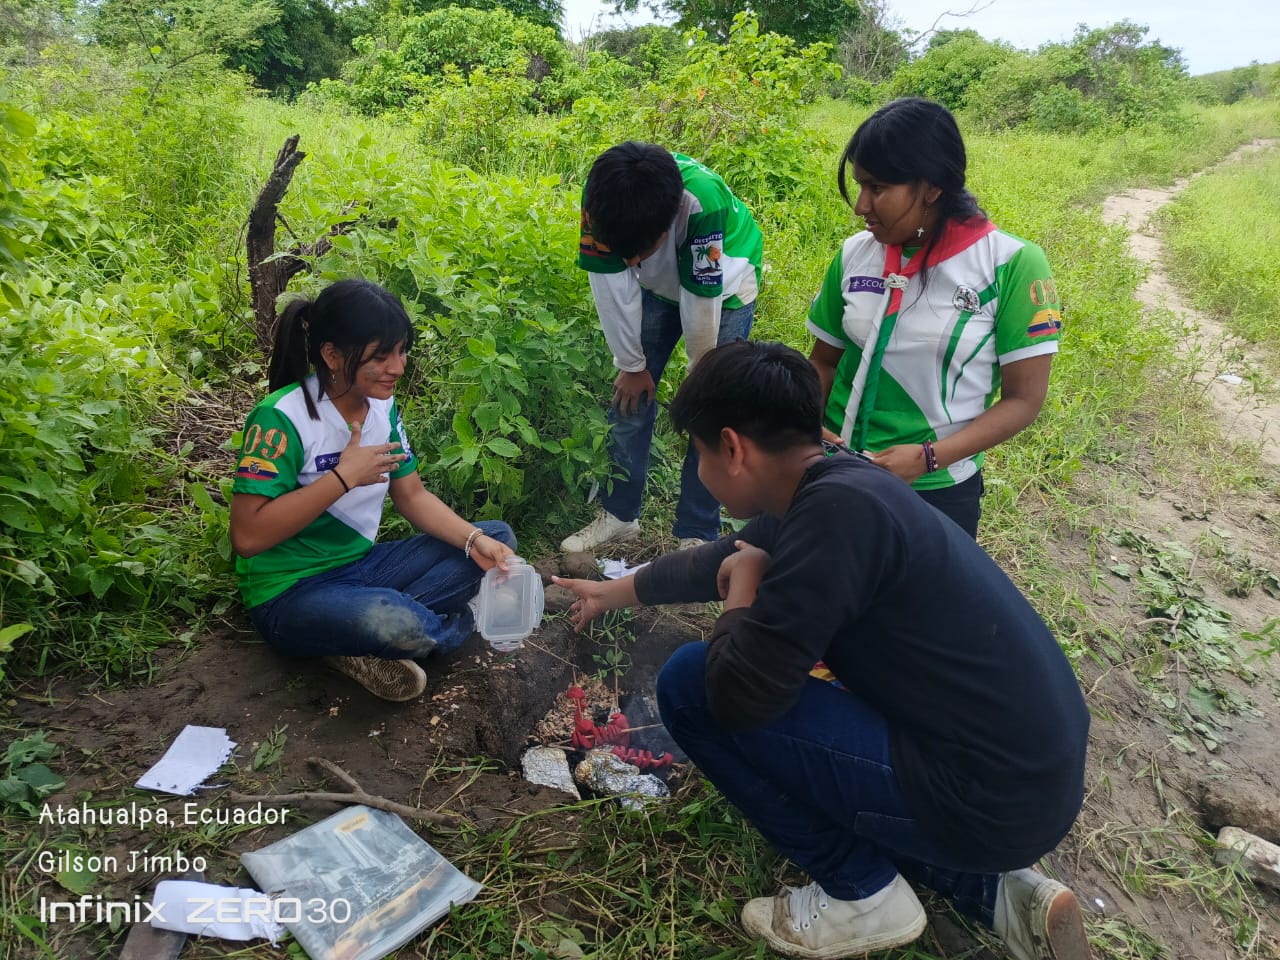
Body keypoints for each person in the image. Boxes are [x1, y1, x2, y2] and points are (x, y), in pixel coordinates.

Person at [553, 340, 1091, 960]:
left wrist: (744, 588)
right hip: (1027, 783)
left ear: (732, 448)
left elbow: (737, 697)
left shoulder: (830, 520)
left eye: (699, 454)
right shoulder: (836, 483)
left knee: (690, 683)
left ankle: (861, 891)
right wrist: (611, 592)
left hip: (987, 801)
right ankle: (996, 892)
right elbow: (720, 557)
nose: (701, 470)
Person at [229, 279, 516, 702]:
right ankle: (448, 624)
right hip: (290, 591)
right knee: (398, 623)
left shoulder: (383, 407)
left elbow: (412, 496)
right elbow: (247, 537)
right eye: (381, 356)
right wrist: (342, 478)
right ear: (332, 355)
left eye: (401, 351)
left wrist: (475, 540)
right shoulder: (281, 418)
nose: (397, 368)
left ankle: (352, 637)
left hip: (362, 567)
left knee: (496, 537)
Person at [807, 97, 1062, 538]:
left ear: (932, 188)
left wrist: (928, 458)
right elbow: (823, 361)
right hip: (835, 471)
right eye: (859, 186)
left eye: (877, 188)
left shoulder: (1010, 265)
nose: (861, 206)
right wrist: (807, 425)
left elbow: (1024, 400)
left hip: (937, 490)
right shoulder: (854, 254)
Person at [561, 141, 764, 554]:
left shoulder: (701, 204)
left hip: (725, 290)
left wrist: (700, 377)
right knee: (628, 397)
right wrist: (632, 365)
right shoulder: (602, 197)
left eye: (639, 252)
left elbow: (701, 299)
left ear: (667, 224)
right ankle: (620, 516)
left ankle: (697, 532)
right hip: (661, 288)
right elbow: (609, 284)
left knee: (712, 410)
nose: (629, 263)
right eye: (623, 253)